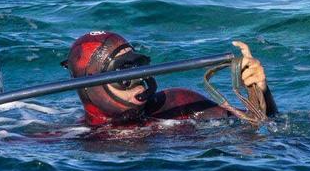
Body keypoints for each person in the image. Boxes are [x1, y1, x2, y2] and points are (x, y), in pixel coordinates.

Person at [62, 30, 277, 126]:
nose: (138, 77)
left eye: (137, 64)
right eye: (123, 71)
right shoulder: (72, 140)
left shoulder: (181, 106)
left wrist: (259, 91)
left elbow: (263, 128)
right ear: (91, 84)